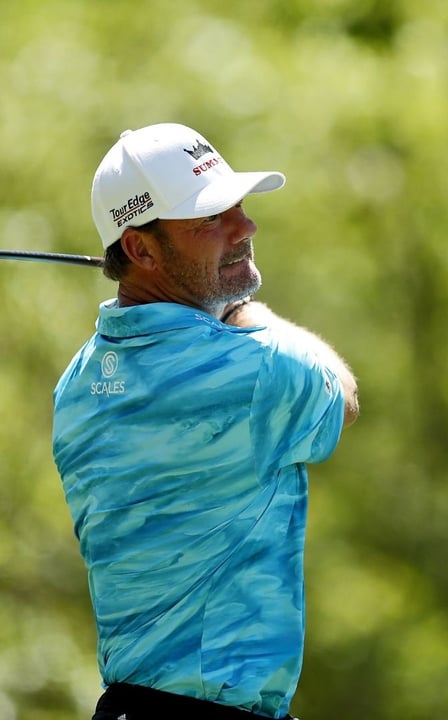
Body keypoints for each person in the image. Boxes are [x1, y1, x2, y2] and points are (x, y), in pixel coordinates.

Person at [52, 123, 360, 720]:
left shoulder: (76, 383)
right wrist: (247, 312)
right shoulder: (253, 367)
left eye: (237, 206)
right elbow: (340, 394)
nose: (245, 227)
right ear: (140, 250)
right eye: (209, 218)